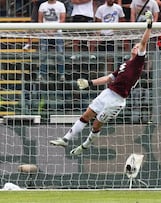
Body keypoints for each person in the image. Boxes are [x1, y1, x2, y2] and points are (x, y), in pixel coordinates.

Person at [49, 11, 154, 155]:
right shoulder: (125, 64)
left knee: (97, 123)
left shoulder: (138, 62)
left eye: (138, 47)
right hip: (107, 93)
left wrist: (148, 27)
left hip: (117, 100)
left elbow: (143, 42)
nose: (137, 47)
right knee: (86, 115)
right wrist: (89, 83)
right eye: (135, 46)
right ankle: (65, 139)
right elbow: (109, 78)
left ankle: (85, 146)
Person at [37, 0, 66, 81]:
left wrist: (53, 31)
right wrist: (45, 31)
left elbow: (62, 20)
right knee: (43, 53)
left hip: (57, 32)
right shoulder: (42, 5)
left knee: (60, 52)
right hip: (44, 32)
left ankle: (61, 74)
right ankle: (41, 74)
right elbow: (40, 20)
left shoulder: (61, 5)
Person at [95, 0, 125, 74]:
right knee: (101, 57)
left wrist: (118, 32)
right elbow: (98, 23)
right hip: (103, 36)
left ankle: (108, 75)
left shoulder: (118, 8)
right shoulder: (101, 8)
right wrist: (98, 36)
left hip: (112, 36)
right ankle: (101, 74)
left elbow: (122, 20)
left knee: (110, 58)